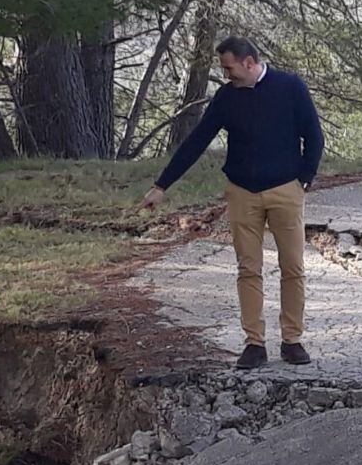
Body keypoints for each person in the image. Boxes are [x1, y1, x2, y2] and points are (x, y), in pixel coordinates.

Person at [138, 36, 324, 370]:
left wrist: (304, 180)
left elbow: (313, 135)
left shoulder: (290, 87)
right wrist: (161, 185)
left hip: (286, 190)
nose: (225, 75)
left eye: (229, 67)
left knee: (292, 267)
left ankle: (292, 340)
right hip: (242, 193)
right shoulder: (226, 98)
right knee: (248, 268)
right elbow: (196, 141)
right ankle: (255, 343)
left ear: (249, 63)